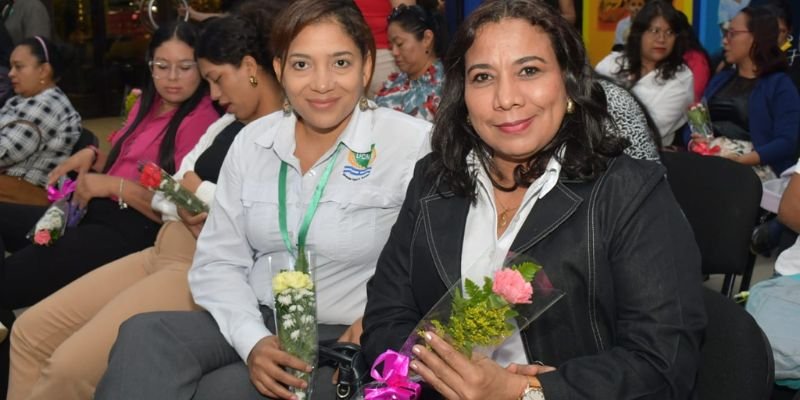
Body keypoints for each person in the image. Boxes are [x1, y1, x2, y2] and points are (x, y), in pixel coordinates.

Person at [361, 1, 706, 399]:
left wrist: (522, 390)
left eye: (529, 71)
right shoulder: (434, 178)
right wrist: (438, 376)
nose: (506, 98)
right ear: (463, 95)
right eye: (483, 76)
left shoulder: (630, 192)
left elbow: (664, 364)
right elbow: (387, 313)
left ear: (569, 80)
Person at [94, 0, 431, 399]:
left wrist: (379, 321)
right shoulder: (253, 142)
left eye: (340, 63)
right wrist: (252, 340)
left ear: (367, 66)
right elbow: (219, 260)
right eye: (302, 65)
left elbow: (439, 263)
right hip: (262, 315)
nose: (321, 84)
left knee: (218, 391)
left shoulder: (410, 144)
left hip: (347, 329)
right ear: (278, 70)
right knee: (144, 335)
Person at [5, 4, 286, 399]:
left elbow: (219, 208)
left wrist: (195, 194)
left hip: (195, 264)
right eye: (161, 66)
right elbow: (173, 195)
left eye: (215, 79)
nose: (216, 94)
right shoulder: (226, 122)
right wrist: (191, 195)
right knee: (30, 332)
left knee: (69, 366)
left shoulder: (281, 131)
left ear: (251, 67)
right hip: (162, 246)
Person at [686, 6, 800, 180]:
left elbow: (786, 142)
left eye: (732, 33)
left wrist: (741, 160)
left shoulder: (779, 85)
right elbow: (695, 122)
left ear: (756, 37)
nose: (725, 41)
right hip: (710, 161)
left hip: (752, 168)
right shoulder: (721, 79)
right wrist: (693, 141)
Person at [596, 0, 693, 146]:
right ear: (639, 33)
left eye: (669, 32)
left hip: (646, 158)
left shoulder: (682, 77)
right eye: (654, 31)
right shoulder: (613, 62)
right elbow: (587, 104)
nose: (661, 39)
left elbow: (648, 130)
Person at [0, 36, 81, 206]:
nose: (11, 73)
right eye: (11, 66)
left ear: (44, 70)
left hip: (27, 197)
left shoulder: (47, 104)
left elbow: (4, 153)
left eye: (19, 67)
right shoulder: (22, 98)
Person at [374, 3, 445, 122]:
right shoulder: (392, 83)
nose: (394, 52)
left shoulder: (446, 87)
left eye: (400, 44)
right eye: (391, 46)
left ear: (427, 39)